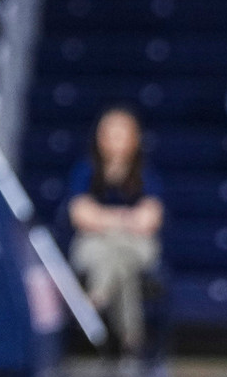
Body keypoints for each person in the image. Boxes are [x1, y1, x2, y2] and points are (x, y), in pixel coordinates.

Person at [66, 107, 164, 355]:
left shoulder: (146, 174)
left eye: (121, 134)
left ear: (134, 138)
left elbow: (150, 219)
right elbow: (80, 215)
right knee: (121, 264)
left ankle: (98, 297)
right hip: (96, 245)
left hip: (134, 244)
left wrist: (104, 219)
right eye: (109, 133)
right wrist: (125, 219)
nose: (115, 140)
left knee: (119, 252)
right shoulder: (85, 171)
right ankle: (132, 340)